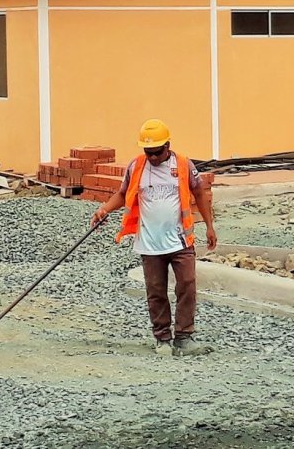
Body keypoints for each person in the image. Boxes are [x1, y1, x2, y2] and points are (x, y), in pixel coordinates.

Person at [91, 119, 217, 356]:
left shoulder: (182, 165)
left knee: (187, 286)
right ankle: (162, 338)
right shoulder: (137, 166)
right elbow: (122, 194)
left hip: (180, 240)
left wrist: (210, 226)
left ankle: (184, 337)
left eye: (157, 152)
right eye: (148, 152)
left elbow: (199, 192)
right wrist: (104, 210)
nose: (153, 158)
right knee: (156, 291)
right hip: (150, 243)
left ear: (167, 145)